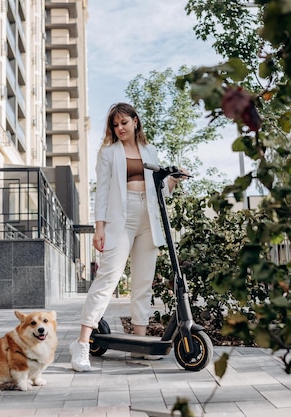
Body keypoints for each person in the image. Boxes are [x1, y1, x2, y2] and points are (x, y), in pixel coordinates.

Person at [69, 102, 187, 372]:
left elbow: (161, 191)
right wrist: (99, 227)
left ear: (136, 121)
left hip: (148, 216)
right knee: (108, 279)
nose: (119, 128)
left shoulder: (149, 150)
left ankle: (140, 343)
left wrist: (174, 178)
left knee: (143, 282)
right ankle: (82, 344)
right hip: (121, 219)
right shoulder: (108, 154)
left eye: (124, 122)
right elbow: (102, 192)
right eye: (115, 124)